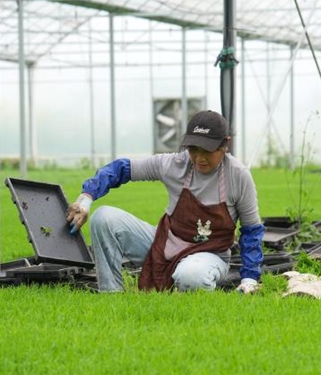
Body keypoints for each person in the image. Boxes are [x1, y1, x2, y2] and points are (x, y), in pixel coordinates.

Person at [65, 110, 265, 293]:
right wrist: (86, 198)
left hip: (209, 255)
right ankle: (111, 295)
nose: (199, 157)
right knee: (103, 217)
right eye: (193, 149)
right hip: (165, 244)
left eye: (207, 150)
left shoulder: (238, 176)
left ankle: (182, 281)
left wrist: (249, 279)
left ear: (225, 145)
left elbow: (251, 231)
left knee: (191, 277)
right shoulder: (174, 164)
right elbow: (121, 169)